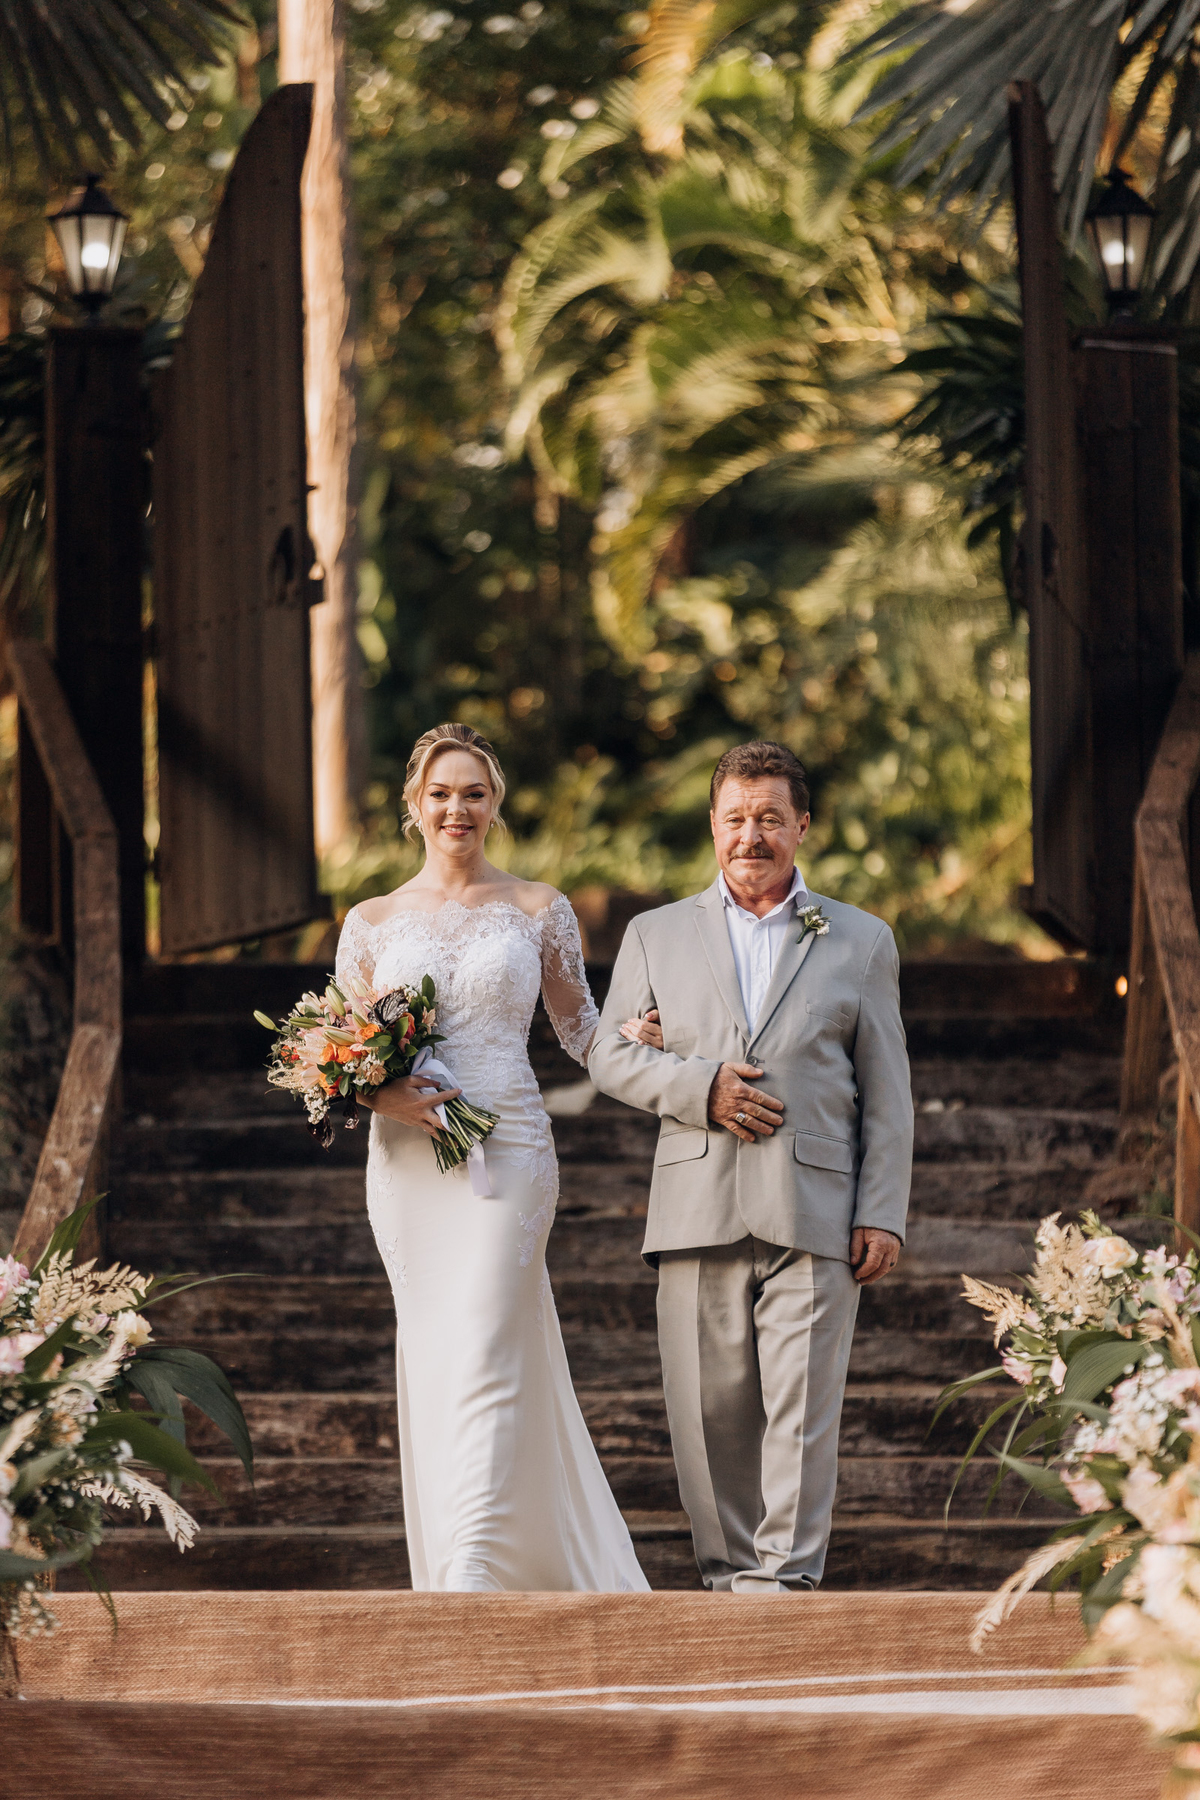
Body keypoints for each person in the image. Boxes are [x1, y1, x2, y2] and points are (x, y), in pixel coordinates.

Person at [589, 740, 912, 1593]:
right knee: (709, 1417)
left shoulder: (862, 939)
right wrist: (702, 1088)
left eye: (770, 817)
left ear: (801, 826)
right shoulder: (654, 935)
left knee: (802, 1417)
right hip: (697, 1204)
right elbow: (608, 1058)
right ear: (712, 825)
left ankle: (785, 1585)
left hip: (817, 1210)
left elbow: (889, 1094)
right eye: (735, 817)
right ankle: (728, 1580)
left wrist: (882, 1213)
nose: (751, 834)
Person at [334, 723, 648, 1593]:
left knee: (485, 1337)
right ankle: (477, 1552)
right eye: (441, 793)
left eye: (473, 793)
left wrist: (646, 1036)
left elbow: (582, 1030)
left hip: (508, 1150)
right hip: (406, 1166)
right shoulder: (370, 922)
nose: (457, 808)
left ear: (496, 804)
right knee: (442, 1349)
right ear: (413, 805)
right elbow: (334, 1056)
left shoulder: (537, 908)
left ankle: (473, 1563)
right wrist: (378, 1095)